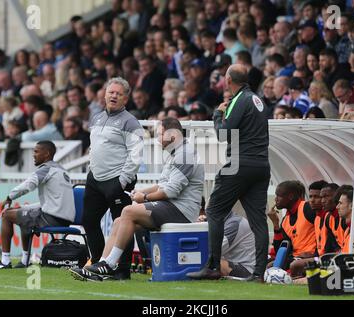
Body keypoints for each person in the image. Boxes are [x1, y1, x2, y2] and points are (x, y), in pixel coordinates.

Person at [70, 118, 204, 281]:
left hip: (181, 211)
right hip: (171, 207)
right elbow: (162, 185)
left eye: (160, 134)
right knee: (120, 220)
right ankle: (102, 265)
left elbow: (170, 192)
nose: (157, 139)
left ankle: (110, 264)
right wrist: (140, 192)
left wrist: (144, 197)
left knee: (128, 211)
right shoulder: (178, 153)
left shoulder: (185, 154)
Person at [187, 64, 270, 282]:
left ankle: (213, 266)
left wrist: (217, 114)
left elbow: (224, 134)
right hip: (261, 165)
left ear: (228, 81)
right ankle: (259, 274)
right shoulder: (258, 101)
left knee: (214, 210)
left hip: (240, 164)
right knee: (258, 221)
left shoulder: (237, 100)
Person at [81, 77, 144, 280]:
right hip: (95, 179)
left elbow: (136, 154)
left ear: (125, 98)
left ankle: (123, 270)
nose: (113, 96)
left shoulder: (130, 121)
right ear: (105, 94)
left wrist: (122, 181)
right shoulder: (97, 118)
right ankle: (99, 263)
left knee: (123, 223)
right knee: (89, 221)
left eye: (118, 93)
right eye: (111, 92)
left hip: (116, 180)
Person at [0, 141, 74, 268]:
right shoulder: (62, 171)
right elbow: (50, 203)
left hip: (51, 218)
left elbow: (28, 185)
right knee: (23, 215)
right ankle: (24, 260)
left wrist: (9, 196)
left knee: (6, 215)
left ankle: (5, 261)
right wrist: (22, 208)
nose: (33, 155)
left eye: (36, 151)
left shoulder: (46, 169)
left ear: (47, 154)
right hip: (63, 220)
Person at [267, 181, 317, 278]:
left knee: (293, 266)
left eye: (279, 196)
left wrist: (314, 253)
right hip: (295, 258)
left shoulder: (307, 207)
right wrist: (276, 224)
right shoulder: (285, 220)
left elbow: (323, 231)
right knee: (270, 266)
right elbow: (280, 250)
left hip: (311, 257)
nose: (276, 199)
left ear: (290, 196)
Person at [198, 209, 256, 279]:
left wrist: (201, 228)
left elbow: (214, 250)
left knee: (211, 260)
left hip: (247, 269)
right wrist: (203, 225)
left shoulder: (233, 224)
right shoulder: (227, 220)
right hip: (236, 263)